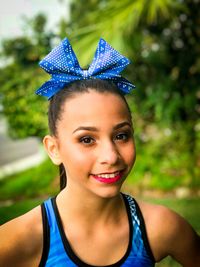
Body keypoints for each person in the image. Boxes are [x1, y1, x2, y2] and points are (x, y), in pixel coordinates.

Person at [0, 38, 199, 267]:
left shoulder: (162, 227)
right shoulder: (21, 239)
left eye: (121, 135)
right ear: (54, 149)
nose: (111, 156)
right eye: (87, 139)